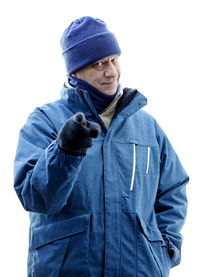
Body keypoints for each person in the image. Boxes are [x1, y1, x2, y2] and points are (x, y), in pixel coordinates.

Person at [14, 16, 189, 277]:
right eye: (98, 64)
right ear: (75, 71)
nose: (111, 72)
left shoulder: (146, 126)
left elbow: (172, 189)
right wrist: (64, 152)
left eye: (114, 60)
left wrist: (166, 247)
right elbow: (36, 197)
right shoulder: (45, 121)